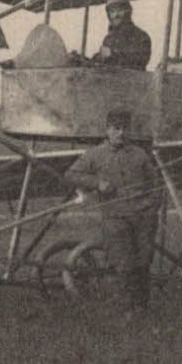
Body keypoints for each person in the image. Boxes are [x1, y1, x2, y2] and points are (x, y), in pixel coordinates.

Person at [64, 108, 160, 312]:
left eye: (125, 129)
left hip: (143, 218)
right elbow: (71, 174)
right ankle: (126, 311)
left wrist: (151, 209)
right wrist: (97, 183)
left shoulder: (140, 154)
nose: (121, 133)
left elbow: (155, 184)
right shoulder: (95, 154)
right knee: (122, 264)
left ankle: (142, 309)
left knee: (143, 263)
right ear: (107, 130)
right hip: (115, 218)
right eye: (116, 129)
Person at [93, 0, 153, 70]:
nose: (116, 15)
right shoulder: (109, 39)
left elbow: (140, 60)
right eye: (112, 11)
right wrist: (97, 57)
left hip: (134, 81)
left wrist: (112, 54)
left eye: (120, 10)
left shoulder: (141, 36)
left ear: (128, 11)